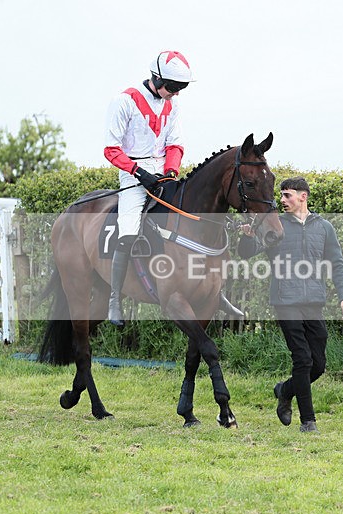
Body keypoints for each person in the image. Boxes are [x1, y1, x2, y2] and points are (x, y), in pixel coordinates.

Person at [103, 50, 241, 326]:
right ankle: (115, 298)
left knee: (200, 220)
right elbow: (111, 150)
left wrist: (170, 172)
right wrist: (138, 172)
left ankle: (216, 291)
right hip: (133, 176)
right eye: (173, 87)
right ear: (156, 78)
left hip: (164, 173)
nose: (176, 93)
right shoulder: (123, 101)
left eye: (181, 88)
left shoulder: (172, 104)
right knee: (128, 232)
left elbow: (175, 144)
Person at [238, 177, 343, 432]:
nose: (282, 200)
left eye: (287, 195)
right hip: (285, 301)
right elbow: (247, 252)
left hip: (314, 302)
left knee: (318, 365)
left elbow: (337, 263)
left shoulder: (324, 227)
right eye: (281, 195)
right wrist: (247, 236)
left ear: (303, 196)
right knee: (302, 359)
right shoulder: (275, 226)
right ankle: (308, 421)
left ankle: (285, 390)